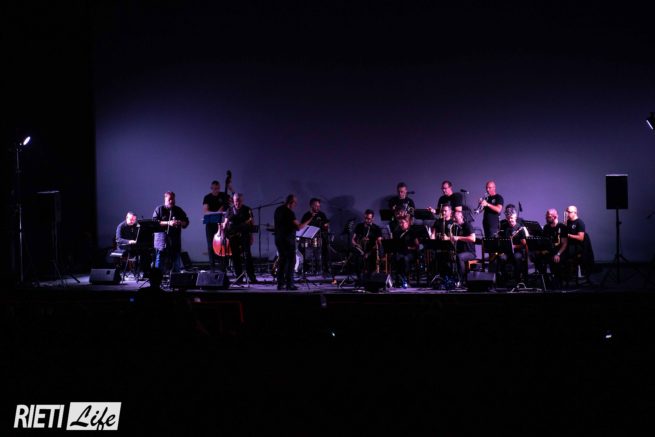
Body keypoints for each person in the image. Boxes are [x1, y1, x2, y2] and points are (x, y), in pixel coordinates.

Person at [274, 194, 314, 290]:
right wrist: (310, 219)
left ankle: (280, 284)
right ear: (292, 202)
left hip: (278, 239)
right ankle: (290, 284)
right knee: (291, 262)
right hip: (288, 240)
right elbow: (299, 227)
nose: (295, 205)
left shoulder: (278, 210)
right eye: (295, 203)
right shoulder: (289, 212)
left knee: (282, 261)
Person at [153, 191, 189, 274]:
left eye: (173, 199)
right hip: (161, 240)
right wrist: (168, 223)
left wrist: (180, 222)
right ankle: (157, 277)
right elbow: (154, 222)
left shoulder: (178, 210)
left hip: (175, 240)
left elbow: (186, 222)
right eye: (169, 199)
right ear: (165, 199)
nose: (171, 201)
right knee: (160, 259)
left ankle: (176, 278)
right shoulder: (159, 209)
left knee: (176, 259)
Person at [225, 192, 257, 284]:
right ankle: (239, 277)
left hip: (245, 236)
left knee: (248, 256)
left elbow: (252, 224)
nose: (237, 203)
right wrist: (223, 228)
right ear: (233, 200)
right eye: (235, 201)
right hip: (233, 237)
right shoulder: (230, 210)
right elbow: (225, 223)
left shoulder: (247, 209)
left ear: (242, 201)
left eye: (239, 201)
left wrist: (251, 236)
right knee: (235, 257)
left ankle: (252, 277)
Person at [535, 208, 568, 287]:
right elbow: (544, 242)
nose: (546, 218)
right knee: (536, 258)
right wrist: (540, 250)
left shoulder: (562, 227)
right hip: (549, 251)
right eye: (546, 217)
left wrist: (558, 254)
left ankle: (558, 281)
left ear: (555, 216)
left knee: (555, 260)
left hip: (559, 251)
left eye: (548, 217)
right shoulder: (546, 227)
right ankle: (546, 280)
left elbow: (564, 243)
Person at [115, 211, 152, 279]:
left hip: (133, 247)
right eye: (131, 219)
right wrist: (129, 241)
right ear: (126, 218)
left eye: (134, 220)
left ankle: (146, 273)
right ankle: (136, 273)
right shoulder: (121, 226)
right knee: (136, 253)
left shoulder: (136, 225)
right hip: (123, 247)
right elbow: (118, 239)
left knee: (146, 253)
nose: (133, 221)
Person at [202, 180, 230, 270]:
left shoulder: (224, 195)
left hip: (221, 224)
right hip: (210, 224)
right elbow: (205, 211)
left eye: (217, 188)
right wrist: (217, 212)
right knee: (210, 245)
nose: (216, 190)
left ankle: (223, 265)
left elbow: (232, 203)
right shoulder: (207, 197)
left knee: (223, 244)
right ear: (211, 188)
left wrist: (230, 188)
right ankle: (212, 266)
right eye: (214, 188)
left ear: (219, 188)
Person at [300, 198, 331, 276]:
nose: (318, 208)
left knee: (324, 250)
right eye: (316, 206)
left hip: (320, 237)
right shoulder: (306, 215)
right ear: (311, 206)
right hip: (308, 238)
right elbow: (302, 226)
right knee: (304, 251)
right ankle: (306, 268)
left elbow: (326, 225)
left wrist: (326, 226)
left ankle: (323, 269)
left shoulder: (322, 215)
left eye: (319, 206)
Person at [351, 209, 383, 285]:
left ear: (372, 219)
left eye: (369, 219)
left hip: (371, 250)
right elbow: (353, 239)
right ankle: (360, 278)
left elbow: (379, 243)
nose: (366, 220)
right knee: (357, 258)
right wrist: (356, 244)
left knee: (371, 259)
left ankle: (369, 278)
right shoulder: (359, 226)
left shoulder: (376, 228)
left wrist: (369, 252)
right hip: (361, 249)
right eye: (365, 218)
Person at [565, 205, 595, 282]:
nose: (567, 213)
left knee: (564, 254)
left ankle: (569, 275)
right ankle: (564, 275)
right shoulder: (567, 222)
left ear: (575, 212)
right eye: (567, 211)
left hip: (577, 246)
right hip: (570, 245)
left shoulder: (580, 223)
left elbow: (581, 238)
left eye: (569, 212)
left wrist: (568, 235)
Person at [498, 211, 528, 283]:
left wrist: (514, 246)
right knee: (501, 258)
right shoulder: (505, 227)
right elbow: (502, 240)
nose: (510, 220)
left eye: (511, 218)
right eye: (508, 218)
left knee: (517, 257)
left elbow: (524, 244)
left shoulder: (520, 229)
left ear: (515, 218)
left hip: (518, 251)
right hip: (507, 251)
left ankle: (517, 279)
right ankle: (505, 279)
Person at [391, 216, 420, 288]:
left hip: (411, 253)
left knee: (405, 259)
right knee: (396, 257)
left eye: (403, 223)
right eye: (400, 223)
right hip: (401, 252)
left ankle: (406, 279)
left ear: (408, 223)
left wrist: (409, 248)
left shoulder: (412, 232)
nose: (401, 224)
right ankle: (398, 279)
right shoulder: (398, 232)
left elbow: (417, 246)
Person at [450, 210, 477, 283]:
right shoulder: (455, 227)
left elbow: (473, 238)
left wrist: (458, 238)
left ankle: (462, 280)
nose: (453, 218)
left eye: (455, 217)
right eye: (453, 217)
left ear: (461, 217)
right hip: (460, 251)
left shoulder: (467, 225)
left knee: (459, 257)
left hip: (470, 252)